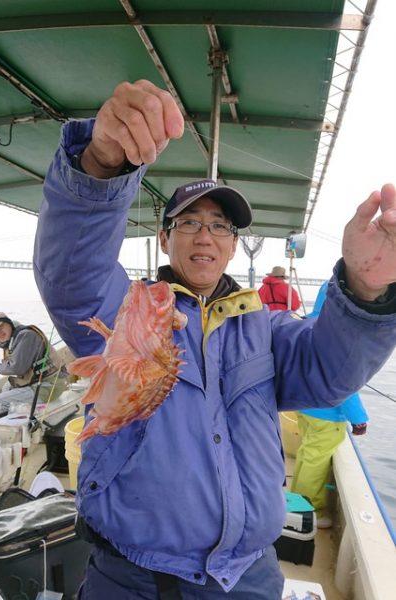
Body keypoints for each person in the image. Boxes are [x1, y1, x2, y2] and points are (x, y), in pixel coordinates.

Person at [33, 79, 396, 599]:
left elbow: (330, 374)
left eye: (221, 227)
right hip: (129, 575)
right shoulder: (131, 306)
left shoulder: (265, 329)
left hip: (245, 576)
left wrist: (365, 288)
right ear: (164, 237)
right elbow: (71, 274)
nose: (205, 235)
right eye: (190, 223)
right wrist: (101, 165)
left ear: (232, 247)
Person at [291, 281, 369, 528]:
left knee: (306, 454)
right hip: (326, 414)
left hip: (303, 406)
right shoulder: (342, 338)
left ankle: (294, 500)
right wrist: (358, 419)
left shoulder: (304, 325)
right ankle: (308, 508)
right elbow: (345, 386)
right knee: (315, 459)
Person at [0, 312, 67, 417]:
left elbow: (17, 368)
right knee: (7, 387)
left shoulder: (26, 335)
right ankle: (17, 422)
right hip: (38, 381)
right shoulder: (12, 339)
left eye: (0, 327)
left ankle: (8, 430)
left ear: (9, 323)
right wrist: (0, 367)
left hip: (49, 386)